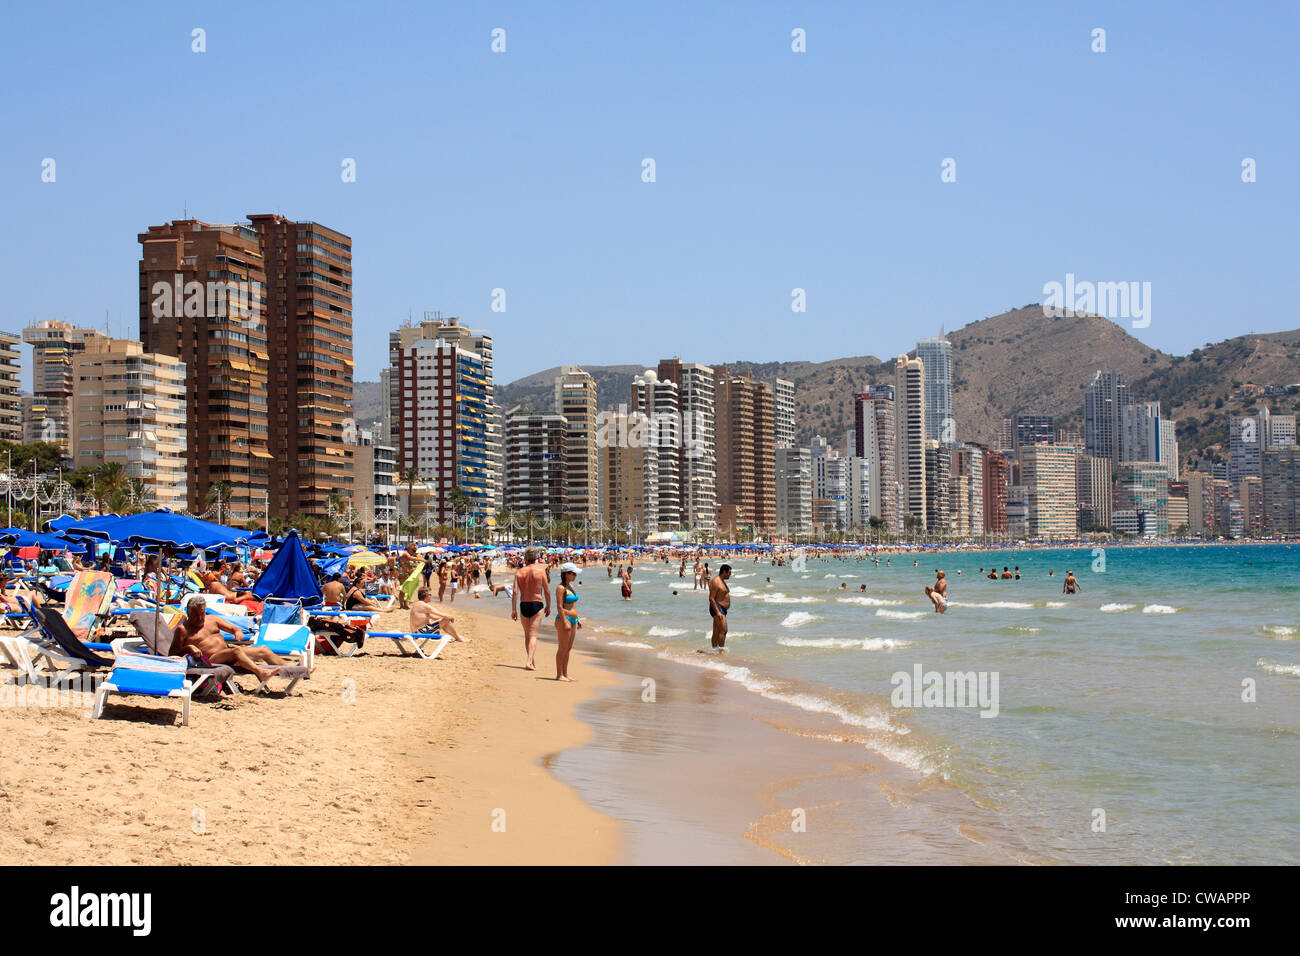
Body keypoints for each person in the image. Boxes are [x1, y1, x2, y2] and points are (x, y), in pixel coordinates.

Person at [173, 596, 294, 683]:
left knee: (263, 650)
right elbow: (172, 653)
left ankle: (293, 671)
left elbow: (233, 628)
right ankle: (260, 672)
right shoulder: (183, 630)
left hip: (228, 653)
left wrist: (237, 631)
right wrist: (189, 648)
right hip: (211, 660)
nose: (200, 618)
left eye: (202, 614)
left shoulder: (213, 619)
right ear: (188, 613)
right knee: (236, 651)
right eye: (196, 615)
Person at [511, 548, 550, 671]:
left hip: (524, 604)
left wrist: (514, 610)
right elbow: (547, 591)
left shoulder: (519, 572)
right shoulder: (541, 571)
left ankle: (531, 661)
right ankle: (529, 661)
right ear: (537, 558)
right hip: (536, 603)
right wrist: (548, 606)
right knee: (533, 635)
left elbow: (515, 592)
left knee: (527, 635)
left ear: (525, 558)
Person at [553, 563, 581, 681]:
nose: (575, 575)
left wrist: (578, 618)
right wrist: (565, 621)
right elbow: (559, 607)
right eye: (573, 573)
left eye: (575, 573)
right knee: (562, 648)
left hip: (573, 619)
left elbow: (574, 605)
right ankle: (559, 675)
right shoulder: (561, 588)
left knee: (568, 648)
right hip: (563, 619)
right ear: (566, 574)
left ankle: (565, 673)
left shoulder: (571, 587)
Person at [708, 563, 732, 650]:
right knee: (724, 630)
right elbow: (711, 598)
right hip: (717, 608)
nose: (730, 575)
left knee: (716, 631)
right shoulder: (716, 582)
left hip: (722, 608)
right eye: (729, 573)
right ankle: (721, 651)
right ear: (724, 572)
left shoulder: (721, 581)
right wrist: (718, 612)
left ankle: (714, 650)